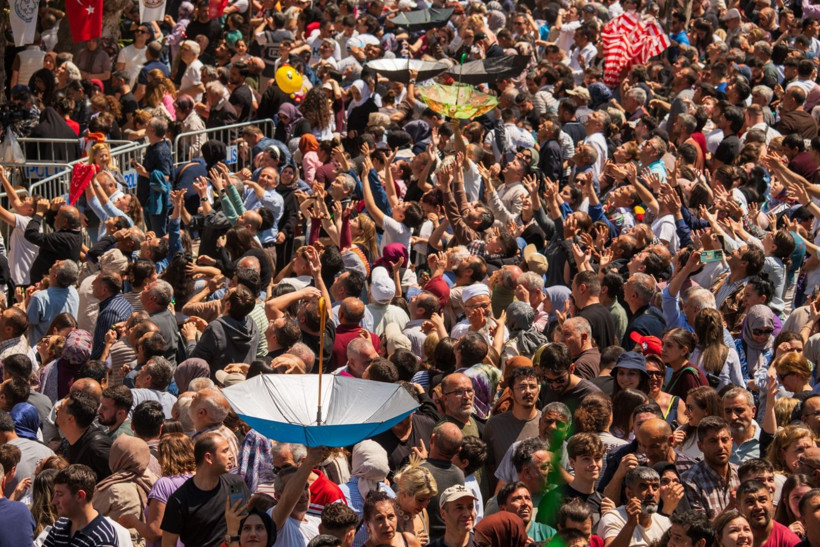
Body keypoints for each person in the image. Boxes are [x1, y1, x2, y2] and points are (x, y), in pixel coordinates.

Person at [160, 432, 250, 546]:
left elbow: (248, 523)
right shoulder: (180, 500)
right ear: (208, 457)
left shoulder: (235, 485)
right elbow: (168, 544)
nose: (231, 455)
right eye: (225, 451)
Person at [43, 464, 120, 545]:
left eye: (60, 494)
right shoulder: (59, 526)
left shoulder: (102, 538)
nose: (53, 501)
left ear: (80, 496)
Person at [680, 416, 740, 519]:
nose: (720, 446)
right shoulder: (690, 481)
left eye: (724, 440)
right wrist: (730, 507)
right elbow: (700, 529)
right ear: (700, 446)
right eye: (713, 441)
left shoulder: (741, 474)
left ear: (732, 442)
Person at [598, 467, 670, 547]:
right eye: (643, 487)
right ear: (629, 493)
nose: (651, 493)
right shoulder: (613, 518)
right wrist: (630, 525)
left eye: (655, 487)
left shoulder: (665, 523)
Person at [737, 479, 801, 547]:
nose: (758, 507)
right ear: (738, 508)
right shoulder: (733, 540)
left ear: (771, 503)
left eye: (762, 500)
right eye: (750, 502)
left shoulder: (789, 541)